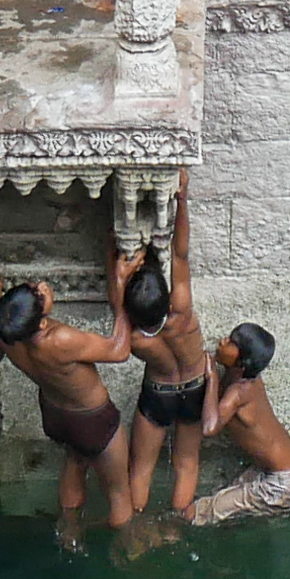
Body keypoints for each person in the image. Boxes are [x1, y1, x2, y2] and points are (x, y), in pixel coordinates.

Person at [0, 257, 137, 546]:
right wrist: (120, 289)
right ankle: (128, 551)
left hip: (56, 416)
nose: (42, 287)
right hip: (94, 420)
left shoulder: (6, 331)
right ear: (43, 322)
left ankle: (69, 531)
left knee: (74, 457)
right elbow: (120, 350)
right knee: (120, 491)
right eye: (39, 294)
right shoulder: (59, 339)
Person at [119, 183, 212, 522]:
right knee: (186, 463)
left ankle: (138, 526)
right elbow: (179, 253)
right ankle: (176, 525)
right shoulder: (182, 310)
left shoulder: (135, 339)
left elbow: (119, 311)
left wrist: (119, 276)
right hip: (195, 385)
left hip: (159, 392)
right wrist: (182, 200)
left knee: (141, 468)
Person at [182, 325, 290, 525]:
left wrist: (212, 377)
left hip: (281, 481)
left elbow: (209, 428)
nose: (223, 341)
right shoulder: (245, 377)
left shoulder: (240, 392)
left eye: (231, 343)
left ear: (242, 362)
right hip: (287, 469)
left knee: (195, 514)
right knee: (226, 500)